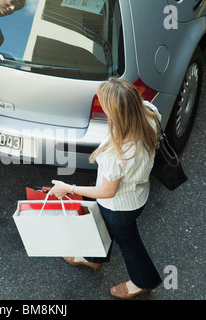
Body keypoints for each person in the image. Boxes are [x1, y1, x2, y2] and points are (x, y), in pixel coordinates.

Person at [50, 78, 162, 299]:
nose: (99, 102)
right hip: (136, 193)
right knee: (101, 224)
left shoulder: (117, 152)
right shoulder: (149, 112)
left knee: (129, 244)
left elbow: (107, 192)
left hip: (119, 206)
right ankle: (93, 258)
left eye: (103, 102)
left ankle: (143, 282)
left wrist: (69, 187)